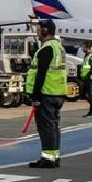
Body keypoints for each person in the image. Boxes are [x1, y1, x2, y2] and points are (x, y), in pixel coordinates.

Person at [26, 19, 66, 168]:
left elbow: (41, 74)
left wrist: (35, 96)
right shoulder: (58, 48)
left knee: (46, 127)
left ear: (44, 31)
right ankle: (54, 156)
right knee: (54, 126)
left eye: (38, 30)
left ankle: (48, 158)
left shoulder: (46, 49)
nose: (36, 33)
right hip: (58, 92)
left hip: (46, 93)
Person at [78, 42, 92, 117]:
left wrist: (87, 75)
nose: (82, 48)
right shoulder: (86, 56)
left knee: (90, 95)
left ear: (88, 48)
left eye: (83, 47)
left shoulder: (91, 57)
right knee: (85, 95)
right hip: (87, 79)